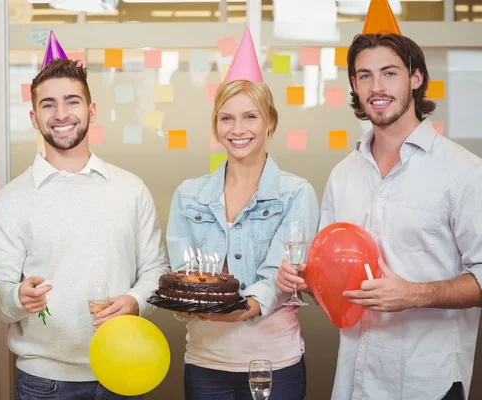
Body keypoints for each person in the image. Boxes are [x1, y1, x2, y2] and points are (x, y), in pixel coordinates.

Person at [276, 21, 482, 400]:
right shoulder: (342, 175)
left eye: (390, 73)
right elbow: (335, 270)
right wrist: (310, 279)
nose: (377, 88)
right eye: (364, 75)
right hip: (355, 380)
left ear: (416, 78)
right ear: (354, 85)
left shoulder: (464, 172)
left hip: (427, 382)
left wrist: (414, 294)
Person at [0, 52, 170, 399]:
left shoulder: (130, 189)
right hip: (44, 383)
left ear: (92, 110)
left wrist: (134, 301)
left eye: (72, 101)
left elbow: (157, 270)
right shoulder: (9, 203)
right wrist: (18, 297)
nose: (62, 115)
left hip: (125, 369)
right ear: (34, 117)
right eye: (48, 105)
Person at [166, 28, 319, 400]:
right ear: (215, 125)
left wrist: (244, 308)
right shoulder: (189, 195)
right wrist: (190, 302)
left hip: (273, 363)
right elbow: (186, 275)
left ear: (270, 122)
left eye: (250, 117)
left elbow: (278, 279)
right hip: (205, 362)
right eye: (226, 118)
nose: (238, 130)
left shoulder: (296, 193)